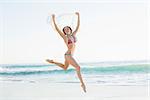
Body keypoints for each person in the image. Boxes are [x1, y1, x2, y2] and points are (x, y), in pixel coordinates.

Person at [46, 12, 86, 92]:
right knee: (78, 67)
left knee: (65, 68)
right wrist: (54, 19)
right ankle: (82, 83)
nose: (66, 30)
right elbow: (57, 29)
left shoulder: (73, 35)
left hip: (69, 55)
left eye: (68, 28)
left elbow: (78, 26)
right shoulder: (65, 37)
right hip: (68, 55)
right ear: (64, 31)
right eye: (65, 29)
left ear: (70, 30)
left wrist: (79, 16)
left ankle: (53, 62)